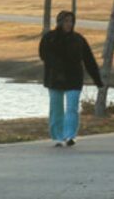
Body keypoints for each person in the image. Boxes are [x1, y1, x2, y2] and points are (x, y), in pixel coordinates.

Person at [38, 10, 104, 147]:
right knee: (56, 108)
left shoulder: (78, 39)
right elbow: (44, 55)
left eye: (71, 21)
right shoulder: (49, 38)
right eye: (66, 21)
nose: (69, 24)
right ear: (59, 22)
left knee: (72, 107)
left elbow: (89, 60)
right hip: (55, 78)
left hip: (74, 78)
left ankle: (70, 136)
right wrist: (57, 67)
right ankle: (58, 136)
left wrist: (97, 80)